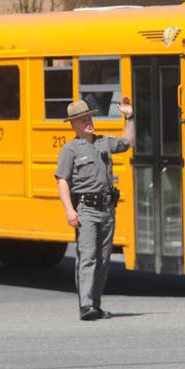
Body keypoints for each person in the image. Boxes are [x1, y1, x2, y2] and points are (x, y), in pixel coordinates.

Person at [54, 96, 134, 321]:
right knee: (87, 257)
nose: (88, 121)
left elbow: (127, 142)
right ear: (73, 125)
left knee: (103, 259)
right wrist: (69, 211)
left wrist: (129, 116)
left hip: (107, 209)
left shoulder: (103, 142)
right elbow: (62, 181)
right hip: (86, 209)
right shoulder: (70, 150)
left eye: (89, 117)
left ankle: (95, 305)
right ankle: (86, 305)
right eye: (82, 119)